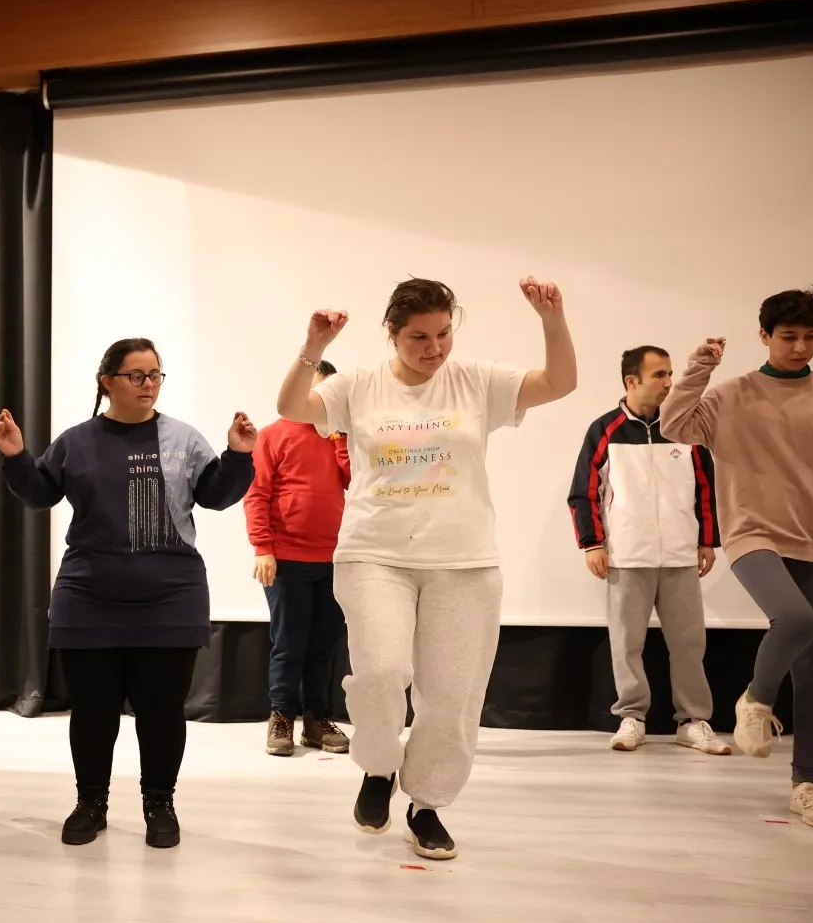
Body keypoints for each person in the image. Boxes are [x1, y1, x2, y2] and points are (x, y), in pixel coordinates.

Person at [275, 277, 577, 860]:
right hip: (374, 553)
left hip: (463, 561)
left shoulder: (478, 380)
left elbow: (559, 383)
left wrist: (552, 320)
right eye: (419, 337)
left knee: (452, 695)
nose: (434, 348)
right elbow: (291, 407)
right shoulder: (358, 384)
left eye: (443, 334)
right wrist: (314, 346)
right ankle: (378, 767)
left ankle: (427, 804)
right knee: (381, 673)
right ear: (392, 332)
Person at [0, 339, 256, 848]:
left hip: (171, 597)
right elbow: (39, 494)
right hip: (88, 595)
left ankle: (160, 802)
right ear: (107, 381)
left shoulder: (183, 438)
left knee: (161, 713)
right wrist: (16, 455)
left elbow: (217, 496)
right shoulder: (76, 441)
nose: (149, 384)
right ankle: (90, 802)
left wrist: (238, 456)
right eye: (137, 375)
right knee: (93, 712)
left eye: (156, 374)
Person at [660, 289, 813, 830]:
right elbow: (674, 425)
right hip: (752, 532)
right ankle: (755, 700)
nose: (800, 347)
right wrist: (700, 367)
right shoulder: (732, 395)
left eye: (811, 337)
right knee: (795, 619)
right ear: (764, 336)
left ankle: (807, 785)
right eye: (788, 337)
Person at [567, 345, 729, 755]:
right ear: (631, 380)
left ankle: (693, 721)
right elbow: (584, 492)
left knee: (689, 644)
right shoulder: (605, 429)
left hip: (680, 555)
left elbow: (706, 488)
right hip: (626, 555)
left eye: (670, 373)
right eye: (659, 374)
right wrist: (592, 544)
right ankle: (632, 717)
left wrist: (707, 540)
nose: (669, 383)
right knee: (626, 643)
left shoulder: (684, 429)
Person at [245, 359, 353, 756]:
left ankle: (317, 720)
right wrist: (263, 547)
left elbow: (357, 480)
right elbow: (256, 494)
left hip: (335, 559)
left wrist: (340, 438)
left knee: (323, 645)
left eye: (330, 393)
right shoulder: (273, 435)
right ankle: (281, 717)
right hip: (287, 558)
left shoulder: (342, 436)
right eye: (317, 391)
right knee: (289, 644)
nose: (323, 400)